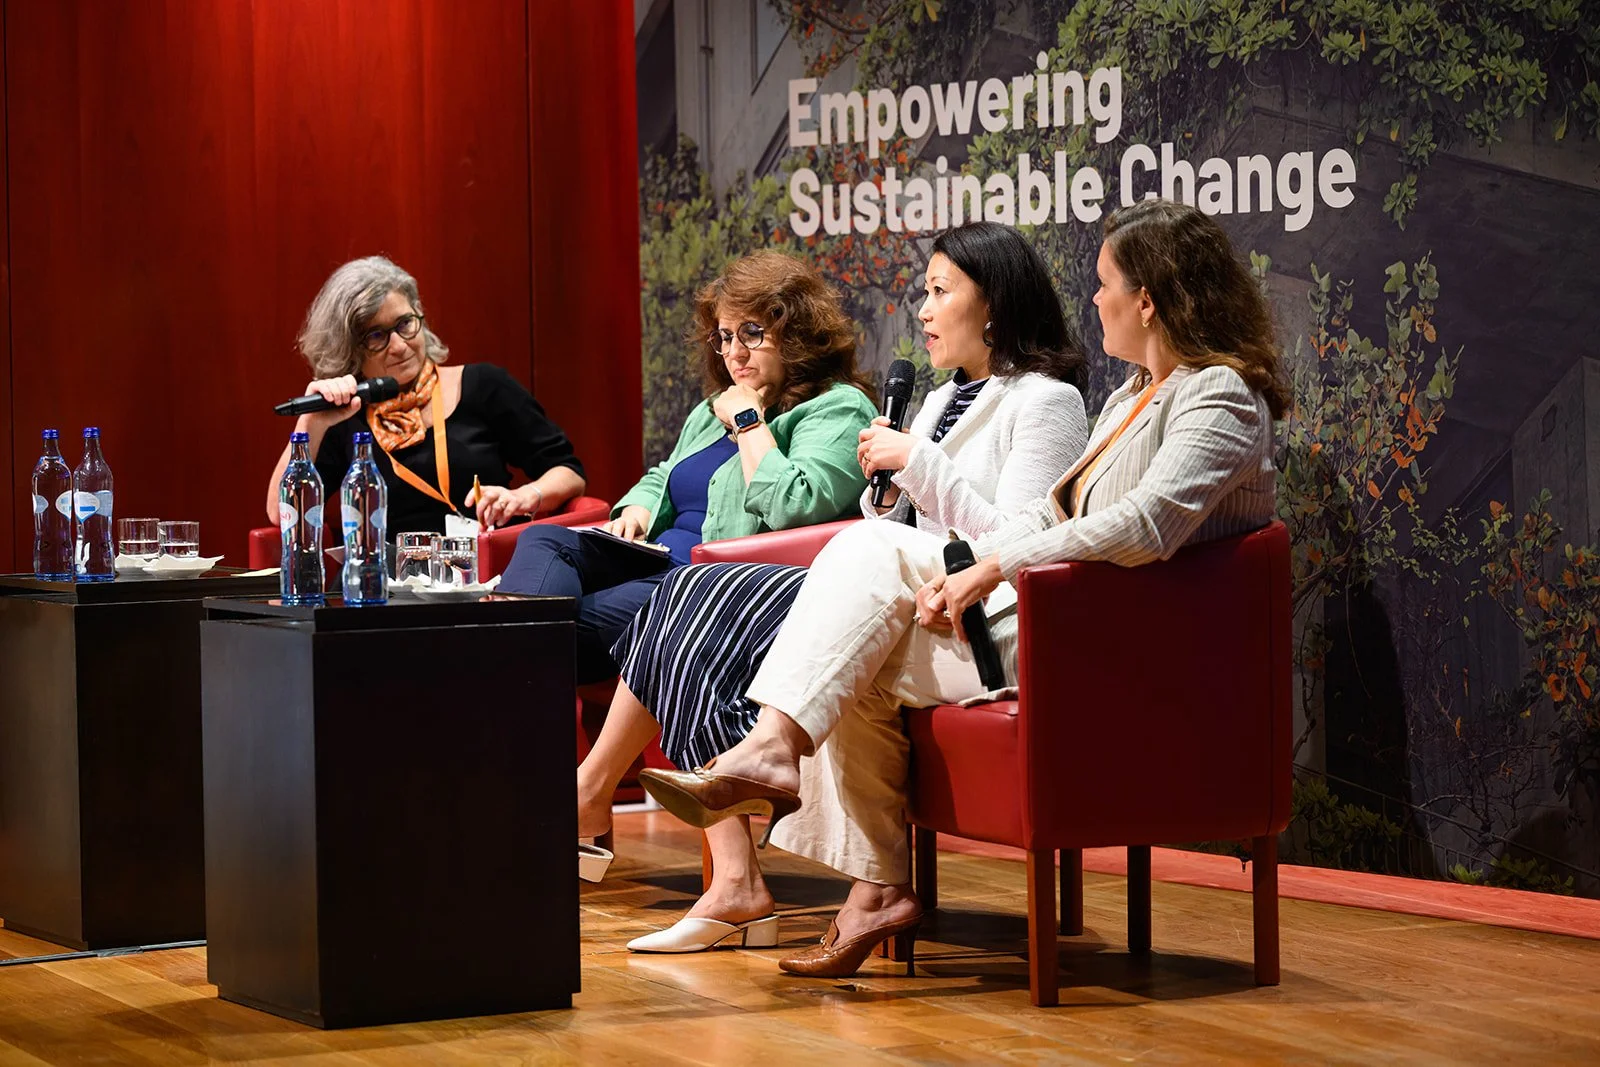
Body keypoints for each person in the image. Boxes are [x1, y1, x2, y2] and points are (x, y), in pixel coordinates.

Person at [639, 198, 1290, 976]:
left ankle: (780, 754)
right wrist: (985, 557)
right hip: (1047, 616)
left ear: (1147, 299)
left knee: (868, 564)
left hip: (1109, 641)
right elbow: (1055, 511)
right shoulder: (1128, 397)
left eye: (1107, 282)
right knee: (858, 646)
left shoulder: (1217, 393)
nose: (1094, 298)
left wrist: (993, 563)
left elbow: (1146, 525)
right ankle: (867, 876)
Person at [574, 222, 1092, 957]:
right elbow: (908, 524)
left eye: (940, 291)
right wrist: (892, 490)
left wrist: (919, 463)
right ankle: (736, 864)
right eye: (924, 290)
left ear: (995, 305)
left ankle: (760, 763)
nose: (922, 309)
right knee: (683, 594)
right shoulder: (942, 397)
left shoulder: (1046, 402)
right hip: (912, 607)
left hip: (984, 624)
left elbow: (1015, 543)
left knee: (704, 596)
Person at [496, 251, 878, 685]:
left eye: (751, 334)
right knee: (543, 538)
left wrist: (749, 421)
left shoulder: (838, 407)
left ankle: (496, 682)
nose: (735, 353)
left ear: (797, 333)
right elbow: (664, 473)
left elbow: (794, 504)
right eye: (725, 336)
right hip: (654, 557)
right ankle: (502, 670)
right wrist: (636, 510)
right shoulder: (712, 409)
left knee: (557, 629)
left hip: (708, 584)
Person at [265, 256, 586, 533]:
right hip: (385, 586)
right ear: (349, 349)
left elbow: (568, 472)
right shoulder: (344, 413)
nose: (400, 345)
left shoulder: (483, 384)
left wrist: (525, 495)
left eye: (405, 323)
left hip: (483, 576)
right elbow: (282, 515)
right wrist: (312, 422)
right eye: (376, 335)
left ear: (419, 315)